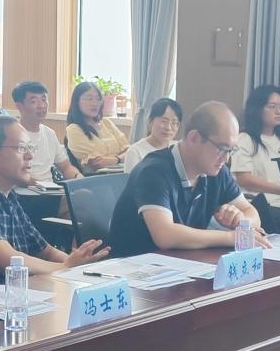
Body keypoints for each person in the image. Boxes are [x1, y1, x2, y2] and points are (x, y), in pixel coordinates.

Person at [0, 116, 109, 289]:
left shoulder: (9, 198)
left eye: (30, 147)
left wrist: (80, 265)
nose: (30, 155)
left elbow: (46, 251)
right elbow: (10, 260)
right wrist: (66, 267)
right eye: (21, 148)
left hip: (15, 295)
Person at [108, 101, 270, 257]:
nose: (226, 158)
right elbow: (165, 235)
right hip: (134, 265)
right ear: (194, 138)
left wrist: (240, 220)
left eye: (230, 150)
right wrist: (230, 237)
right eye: (222, 148)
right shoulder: (153, 171)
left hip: (183, 262)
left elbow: (252, 215)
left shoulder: (217, 170)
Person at [230, 85, 280, 233]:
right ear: (257, 109)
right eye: (272, 106)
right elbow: (244, 179)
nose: (278, 111)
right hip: (261, 203)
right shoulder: (245, 139)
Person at [11, 80, 82, 184]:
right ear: (19, 106)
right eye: (34, 101)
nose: (41, 106)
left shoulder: (49, 133)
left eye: (44, 100)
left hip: (50, 189)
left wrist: (79, 178)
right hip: (24, 190)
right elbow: (11, 174)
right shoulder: (11, 135)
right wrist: (39, 185)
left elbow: (66, 167)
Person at [65, 81, 129, 173]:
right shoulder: (74, 129)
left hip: (122, 172)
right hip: (98, 177)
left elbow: (130, 151)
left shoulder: (106, 122)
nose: (94, 103)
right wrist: (121, 157)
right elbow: (97, 162)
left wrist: (116, 159)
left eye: (98, 99)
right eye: (89, 99)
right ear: (77, 101)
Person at [124, 98, 183, 172]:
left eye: (174, 123)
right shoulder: (136, 152)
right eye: (164, 121)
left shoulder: (178, 149)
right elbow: (132, 179)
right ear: (150, 121)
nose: (168, 128)